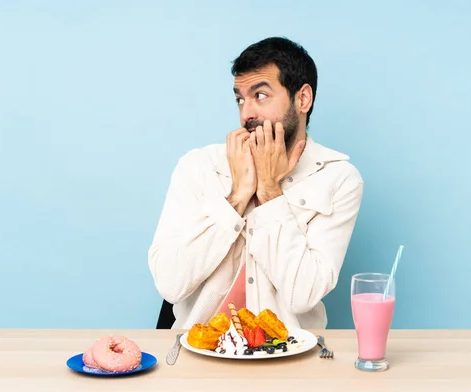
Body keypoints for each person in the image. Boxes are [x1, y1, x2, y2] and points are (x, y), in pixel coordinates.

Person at [148, 37, 364, 330]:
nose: (246, 113)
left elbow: (304, 295)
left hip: (289, 358)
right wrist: (238, 196)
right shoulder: (198, 167)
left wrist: (270, 192)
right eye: (240, 98)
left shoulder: (338, 179)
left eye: (260, 95)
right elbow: (170, 284)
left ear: (303, 99)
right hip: (196, 354)